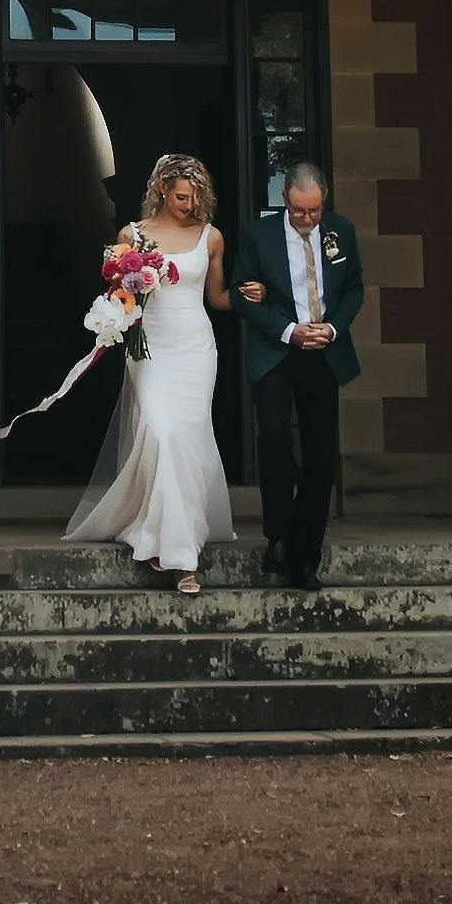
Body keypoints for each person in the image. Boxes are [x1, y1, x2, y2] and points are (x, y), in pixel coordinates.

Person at [60, 153, 231, 591]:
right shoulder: (132, 236)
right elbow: (119, 296)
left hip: (196, 347)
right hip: (150, 347)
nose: (188, 206)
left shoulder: (211, 238)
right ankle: (170, 543)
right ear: (161, 190)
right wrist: (113, 314)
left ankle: (177, 550)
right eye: (180, 197)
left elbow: (217, 298)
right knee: (160, 430)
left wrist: (257, 293)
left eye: (194, 199)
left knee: (186, 439)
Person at [228, 158, 365, 589]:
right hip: (277, 352)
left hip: (323, 353)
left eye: (314, 211)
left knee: (320, 451)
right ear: (285, 201)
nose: (307, 219)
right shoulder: (257, 234)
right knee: (274, 438)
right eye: (299, 211)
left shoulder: (341, 231)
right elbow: (242, 294)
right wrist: (289, 331)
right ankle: (279, 535)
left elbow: (354, 288)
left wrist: (332, 327)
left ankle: (307, 554)